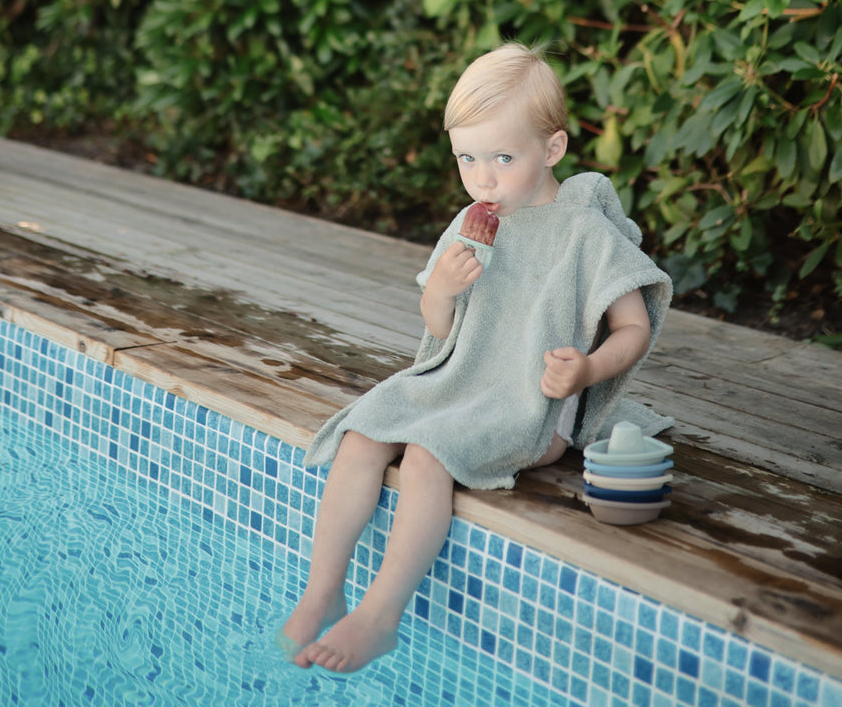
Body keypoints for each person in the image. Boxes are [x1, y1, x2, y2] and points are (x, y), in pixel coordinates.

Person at [279, 43, 672, 673]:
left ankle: (381, 616)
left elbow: (634, 326)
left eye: (502, 157)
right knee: (361, 434)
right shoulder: (471, 221)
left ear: (553, 149)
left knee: (430, 455)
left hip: (530, 406)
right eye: (467, 157)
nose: (482, 178)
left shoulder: (584, 235)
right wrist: (441, 291)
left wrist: (590, 368)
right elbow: (439, 327)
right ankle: (324, 590)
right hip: (456, 380)